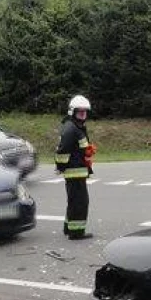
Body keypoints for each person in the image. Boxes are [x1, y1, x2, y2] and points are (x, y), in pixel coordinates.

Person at [54, 95, 95, 240]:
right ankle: (76, 233)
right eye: (80, 112)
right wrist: (60, 166)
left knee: (74, 201)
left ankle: (68, 228)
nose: (83, 114)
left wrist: (88, 150)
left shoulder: (76, 126)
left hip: (78, 172)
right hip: (74, 173)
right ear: (73, 112)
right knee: (80, 202)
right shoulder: (72, 129)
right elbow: (62, 150)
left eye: (85, 112)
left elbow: (77, 148)